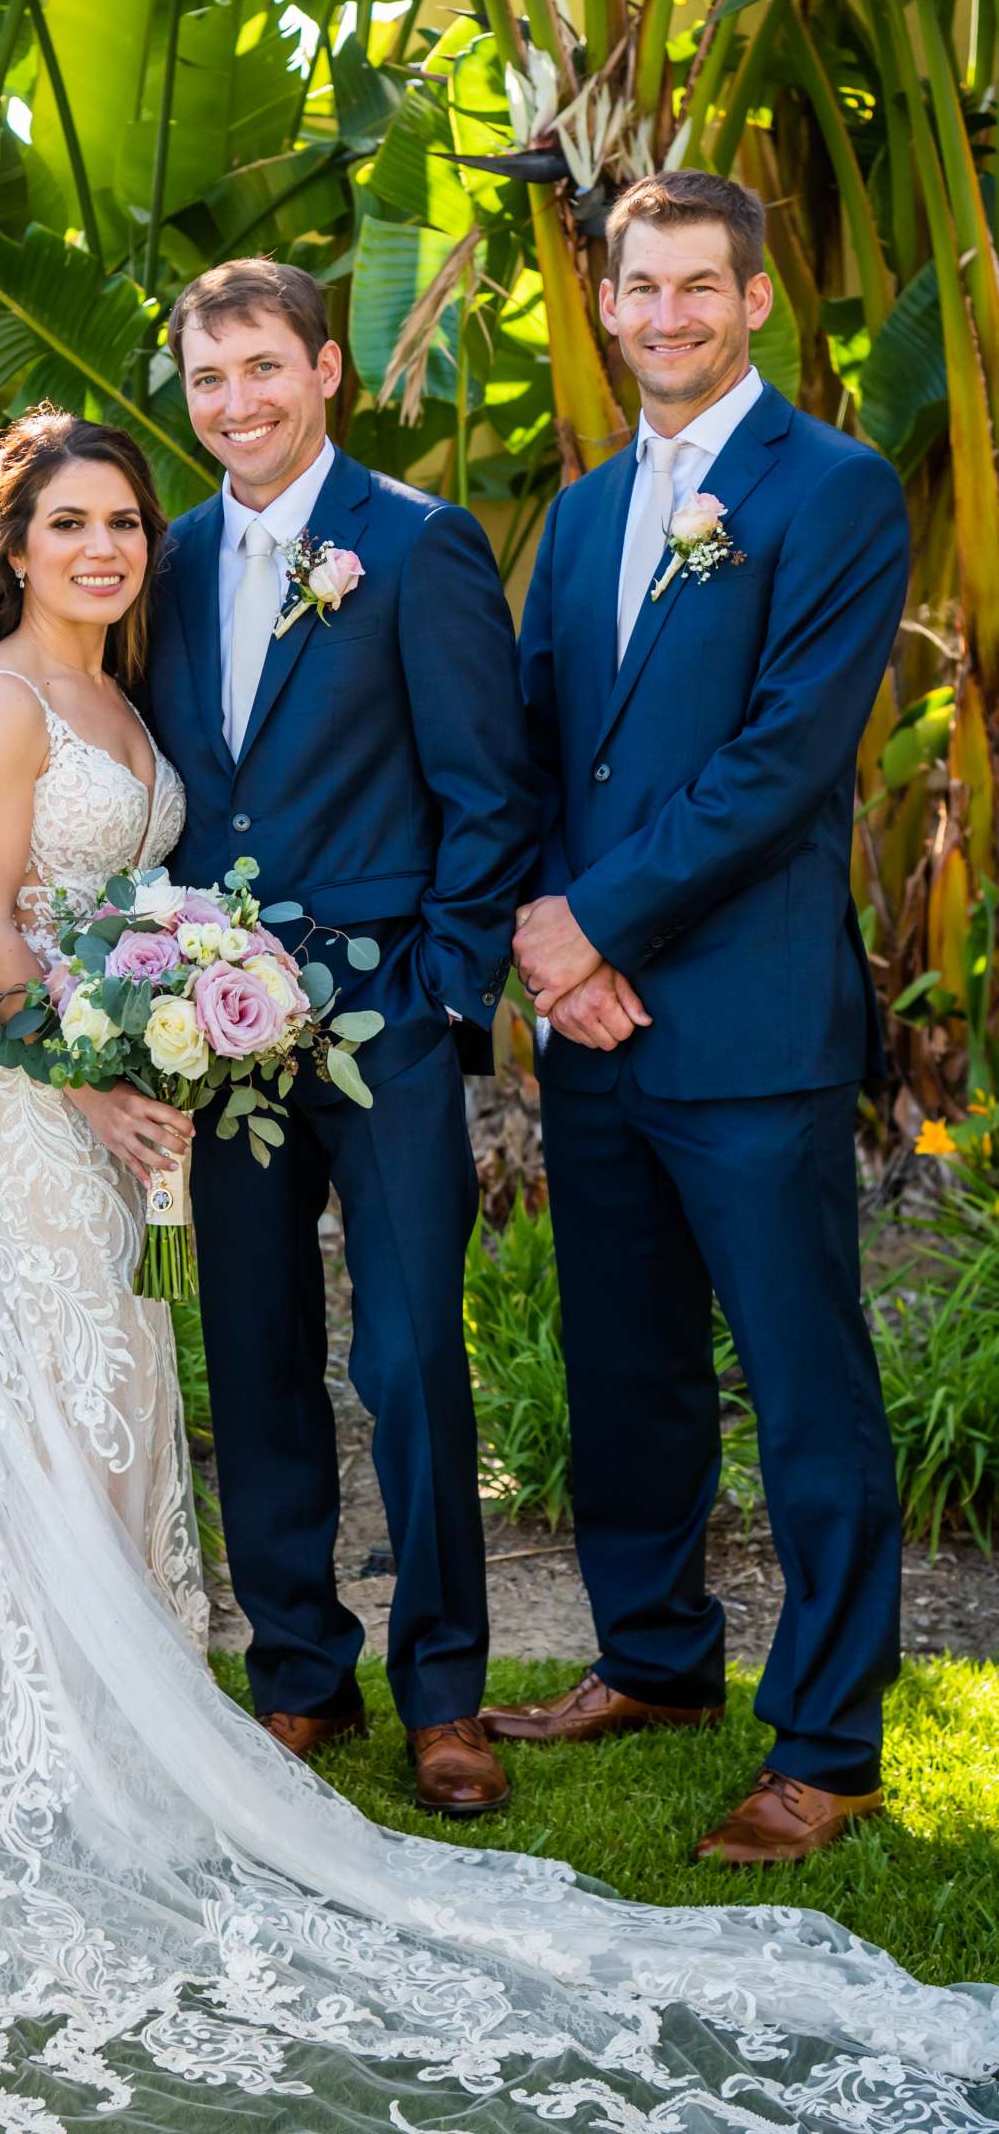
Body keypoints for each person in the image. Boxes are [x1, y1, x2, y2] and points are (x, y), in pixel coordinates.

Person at [0, 408, 994, 2134]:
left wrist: (162, 1020)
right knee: (59, 1372)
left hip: (106, 1092)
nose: (101, 547)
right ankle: (52, 1734)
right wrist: (81, 1068)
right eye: (67, 522)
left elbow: (2, 891)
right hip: (17, 1100)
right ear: (12, 545)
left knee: (103, 1380)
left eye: (120, 524)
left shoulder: (122, 690)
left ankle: (118, 1709)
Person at [500, 169, 909, 1865]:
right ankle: (655, 1661)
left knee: (804, 1387)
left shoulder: (832, 489)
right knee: (627, 1368)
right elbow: (531, 742)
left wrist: (588, 918)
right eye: (635, 288)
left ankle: (825, 1739)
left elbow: (780, 763)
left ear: (753, 302)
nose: (662, 315)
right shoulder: (587, 513)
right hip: (593, 1029)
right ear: (601, 305)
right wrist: (555, 955)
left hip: (747, 1021)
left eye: (695, 287)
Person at [142, 257, 539, 1815]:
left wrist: (441, 989)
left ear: (324, 372)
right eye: (206, 378)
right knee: (252, 1353)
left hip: (383, 1015)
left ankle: (443, 1689)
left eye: (260, 368)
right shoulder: (162, 561)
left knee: (409, 1353)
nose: (233, 402)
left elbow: (486, 791)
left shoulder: (417, 545)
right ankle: (298, 1672)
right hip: (212, 1027)